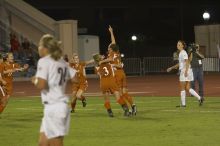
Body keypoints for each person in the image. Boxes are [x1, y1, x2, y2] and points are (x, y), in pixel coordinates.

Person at [31, 34, 76, 146]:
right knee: (42, 143)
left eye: (39, 45)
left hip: (54, 107)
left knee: (56, 144)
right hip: (57, 107)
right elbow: (75, 78)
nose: (38, 48)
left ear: (45, 48)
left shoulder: (44, 61)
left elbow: (41, 85)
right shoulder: (61, 62)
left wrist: (35, 80)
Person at [99, 25, 137, 115]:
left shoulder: (111, 55)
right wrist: (111, 32)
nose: (108, 48)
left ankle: (127, 110)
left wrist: (109, 63)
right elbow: (113, 42)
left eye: (109, 47)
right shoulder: (116, 52)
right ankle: (133, 106)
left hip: (117, 74)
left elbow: (117, 63)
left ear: (111, 49)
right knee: (124, 93)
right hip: (122, 73)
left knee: (119, 94)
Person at [167, 40, 202, 107]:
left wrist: (185, 71)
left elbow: (186, 62)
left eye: (179, 44)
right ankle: (200, 98)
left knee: (182, 88)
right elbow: (180, 64)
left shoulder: (183, 53)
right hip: (188, 70)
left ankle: (183, 104)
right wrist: (171, 68)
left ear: (183, 46)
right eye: (177, 44)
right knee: (188, 88)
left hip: (185, 71)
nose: (178, 45)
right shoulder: (181, 53)